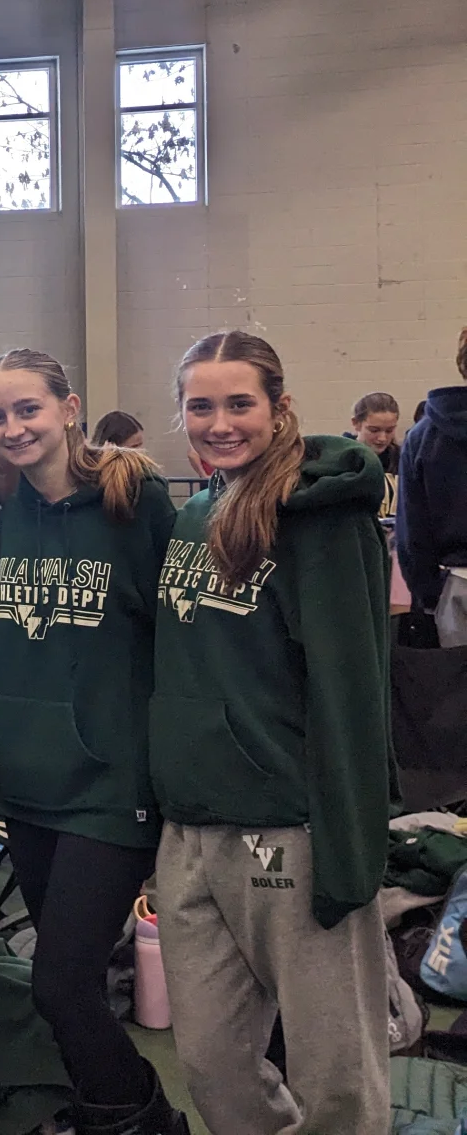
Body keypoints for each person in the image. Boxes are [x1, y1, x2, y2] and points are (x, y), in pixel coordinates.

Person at [155, 330, 392, 1134]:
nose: (220, 422)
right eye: (200, 405)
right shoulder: (193, 512)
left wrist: (352, 847)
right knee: (211, 1065)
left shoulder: (322, 521)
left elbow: (353, 690)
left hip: (291, 825)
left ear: (280, 406)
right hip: (191, 828)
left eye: (239, 403)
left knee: (335, 1071)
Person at [0, 349, 185, 1135]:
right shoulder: (3, 509)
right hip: (27, 781)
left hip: (112, 785)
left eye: (27, 408)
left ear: (68, 407)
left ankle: (137, 1121)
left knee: (58, 983)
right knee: (72, 984)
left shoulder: (136, 500)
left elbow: (184, 638)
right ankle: (119, 1109)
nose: (12, 427)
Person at [399, 331, 467, 643]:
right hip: (453, 583)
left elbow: (412, 529)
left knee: (456, 688)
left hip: (455, 586)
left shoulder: (422, 435)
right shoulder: (422, 435)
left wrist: (427, 594)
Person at [348, 392, 401, 517]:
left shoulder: (403, 459)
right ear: (356, 423)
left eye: (389, 430)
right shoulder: (342, 460)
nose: (382, 438)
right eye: (374, 430)